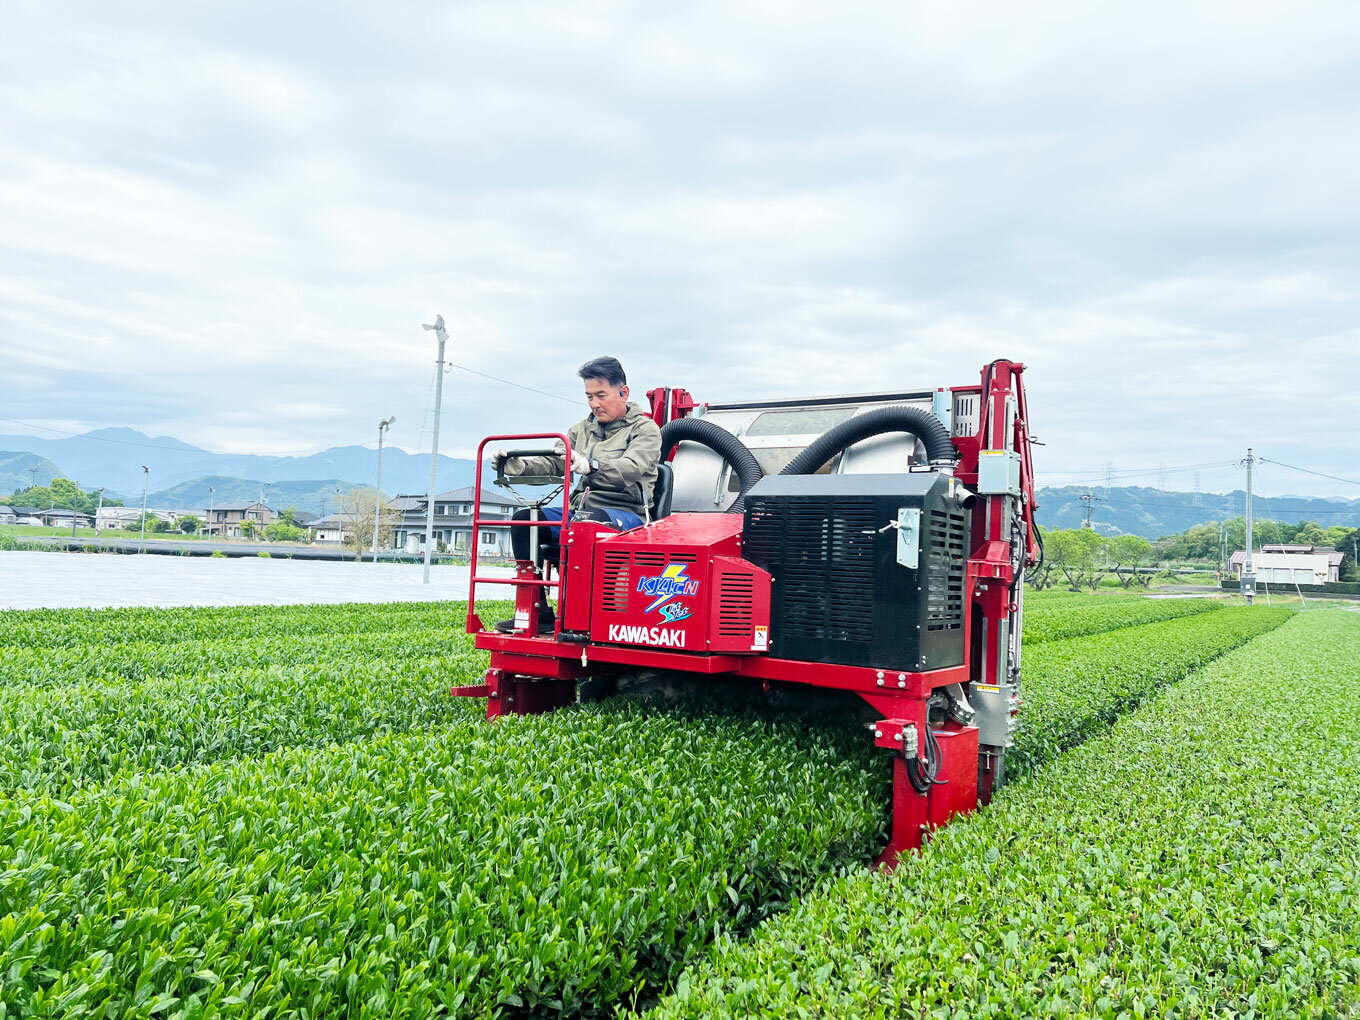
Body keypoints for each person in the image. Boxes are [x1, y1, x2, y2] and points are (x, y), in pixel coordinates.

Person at [492, 356, 661, 631]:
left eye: (601, 395)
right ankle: (538, 611)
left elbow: (630, 469)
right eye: (589, 396)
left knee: (584, 525)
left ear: (624, 392)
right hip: (580, 511)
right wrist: (520, 467)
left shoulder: (645, 431)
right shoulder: (580, 430)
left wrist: (590, 465)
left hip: (627, 515)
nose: (595, 403)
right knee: (525, 520)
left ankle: (577, 618)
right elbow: (555, 462)